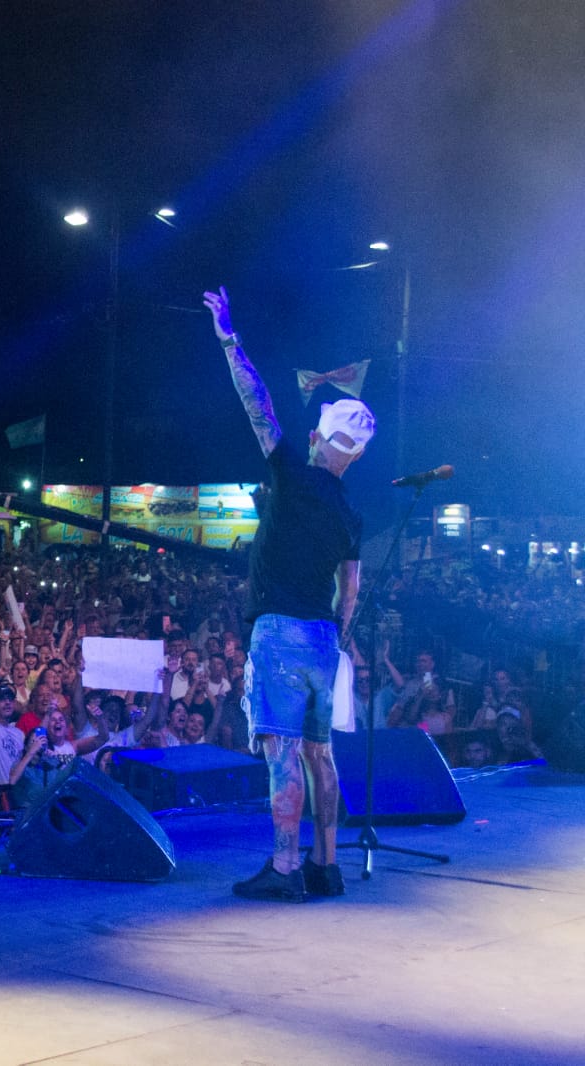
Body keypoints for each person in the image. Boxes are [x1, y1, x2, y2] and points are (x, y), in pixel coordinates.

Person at [205, 286, 372, 903]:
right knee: (320, 754)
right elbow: (349, 589)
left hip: (279, 631)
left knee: (281, 753)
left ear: (322, 438)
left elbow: (257, 405)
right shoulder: (352, 513)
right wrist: (340, 638)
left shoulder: (291, 475)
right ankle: (327, 866)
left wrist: (228, 337)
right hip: (325, 637)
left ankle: (283, 868)